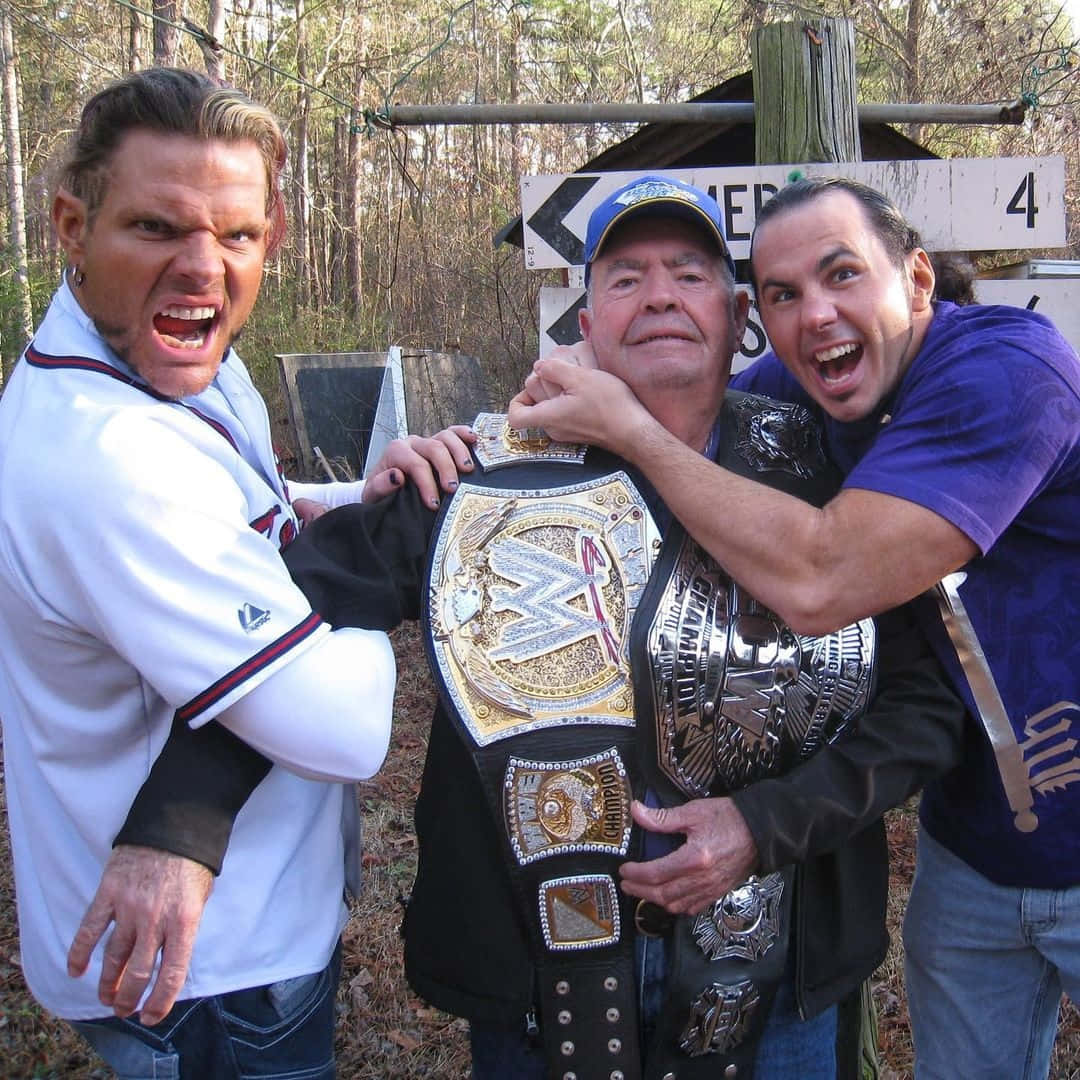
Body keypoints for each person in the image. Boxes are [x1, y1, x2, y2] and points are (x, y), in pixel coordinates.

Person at [117, 175, 965, 1078]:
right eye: (627, 277)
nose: (662, 296)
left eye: (689, 271)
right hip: (542, 986)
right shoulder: (475, 479)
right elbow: (294, 617)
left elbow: (925, 702)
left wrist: (767, 826)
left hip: (783, 971)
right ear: (587, 324)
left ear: (739, 315)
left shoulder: (827, 478)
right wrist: (178, 827)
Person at [512, 176, 1080, 1079]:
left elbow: (824, 578)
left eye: (843, 274)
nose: (816, 315)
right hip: (977, 851)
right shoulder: (806, 386)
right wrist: (442, 457)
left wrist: (628, 427)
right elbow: (678, 389)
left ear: (919, 278)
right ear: (758, 318)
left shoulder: (1010, 373)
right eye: (782, 295)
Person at [0, 67, 460, 1079]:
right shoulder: (106, 456)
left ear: (272, 238)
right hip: (208, 977)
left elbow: (247, 524)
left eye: (237, 235)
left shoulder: (177, 362)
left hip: (216, 937)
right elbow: (341, 728)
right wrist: (385, 549)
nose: (203, 269)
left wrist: (347, 501)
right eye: (157, 229)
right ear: (73, 228)